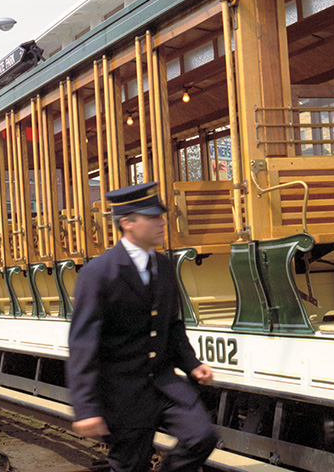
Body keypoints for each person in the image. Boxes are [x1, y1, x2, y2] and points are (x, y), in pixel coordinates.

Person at [66, 182, 218, 472]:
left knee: (202, 437)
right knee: (130, 466)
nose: (162, 223)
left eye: (161, 216)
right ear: (127, 223)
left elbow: (172, 325)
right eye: (153, 218)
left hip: (164, 386)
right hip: (121, 395)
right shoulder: (98, 273)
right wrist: (85, 409)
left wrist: (192, 365)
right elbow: (83, 345)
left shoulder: (165, 265)